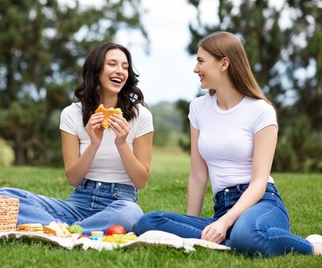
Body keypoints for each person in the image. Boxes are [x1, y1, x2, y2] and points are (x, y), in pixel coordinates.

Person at [134, 31, 322, 257]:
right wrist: (187, 231)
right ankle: (236, 238)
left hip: (260, 203)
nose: (195, 68)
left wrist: (224, 223)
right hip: (223, 205)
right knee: (148, 222)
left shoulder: (260, 110)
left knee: (247, 236)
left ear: (224, 63)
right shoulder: (198, 108)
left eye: (201, 61)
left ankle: (312, 246)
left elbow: (259, 182)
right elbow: (197, 175)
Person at [0, 42, 153, 235]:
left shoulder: (141, 115)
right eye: (112, 64)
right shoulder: (71, 114)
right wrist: (93, 144)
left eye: (125, 66)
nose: (120, 71)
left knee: (131, 214)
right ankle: (78, 229)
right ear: (96, 69)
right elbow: (73, 178)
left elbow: (141, 181)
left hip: (120, 201)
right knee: (5, 196)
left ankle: (62, 230)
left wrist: (121, 144)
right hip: (78, 203)